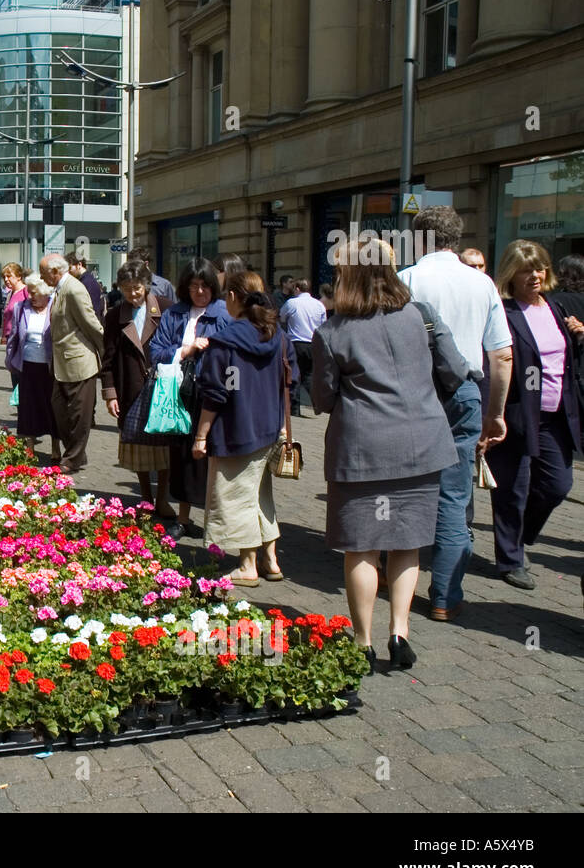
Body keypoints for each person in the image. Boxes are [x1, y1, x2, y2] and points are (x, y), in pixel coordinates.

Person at [313, 238, 462, 671]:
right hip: (422, 446)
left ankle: (363, 641)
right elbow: (453, 369)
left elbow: (322, 399)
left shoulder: (333, 331)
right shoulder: (419, 317)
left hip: (362, 451)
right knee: (406, 544)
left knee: (361, 548)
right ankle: (400, 632)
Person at [398, 205, 513, 622]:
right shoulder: (481, 284)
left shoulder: (406, 279)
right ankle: (445, 596)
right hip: (465, 392)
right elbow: (501, 355)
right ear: (456, 238)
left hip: (414, 394)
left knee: (405, 487)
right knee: (454, 495)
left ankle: (394, 576)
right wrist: (495, 413)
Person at [485, 240, 582, 591]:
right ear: (512, 273)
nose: (535, 275)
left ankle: (520, 535)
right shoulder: (504, 312)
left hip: (557, 413)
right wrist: (492, 414)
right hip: (516, 412)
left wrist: (578, 335)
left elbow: (563, 357)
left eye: (540, 267)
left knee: (558, 486)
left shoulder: (555, 309)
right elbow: (495, 361)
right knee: (512, 489)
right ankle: (511, 559)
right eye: (527, 269)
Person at [192, 270, 297, 584]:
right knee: (261, 496)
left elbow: (215, 394)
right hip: (272, 431)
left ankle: (248, 565)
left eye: (226, 296)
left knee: (236, 497)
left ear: (234, 297)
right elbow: (291, 382)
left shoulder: (224, 343)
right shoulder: (278, 337)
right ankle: (271, 560)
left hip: (236, 432)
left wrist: (200, 436)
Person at [148, 259, 232, 539]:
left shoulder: (224, 314)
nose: (199, 292)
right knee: (183, 457)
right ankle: (183, 518)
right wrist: (185, 350)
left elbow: (233, 353)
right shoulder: (175, 313)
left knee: (211, 455)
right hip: (179, 393)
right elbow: (156, 351)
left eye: (205, 286)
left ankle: (214, 522)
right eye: (194, 286)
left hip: (212, 392)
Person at [101, 262, 171, 504]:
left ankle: (162, 497)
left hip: (163, 390)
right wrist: (110, 394)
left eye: (137, 288)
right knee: (138, 448)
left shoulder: (165, 308)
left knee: (164, 447)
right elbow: (107, 359)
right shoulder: (114, 316)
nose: (133, 294)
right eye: (127, 289)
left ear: (147, 286)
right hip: (130, 388)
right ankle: (146, 497)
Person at [39, 252, 104, 474]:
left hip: (79, 362)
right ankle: (76, 453)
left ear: (55, 272)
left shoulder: (74, 289)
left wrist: (105, 354)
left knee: (79, 415)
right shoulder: (59, 289)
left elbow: (91, 324)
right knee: (59, 411)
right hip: (61, 363)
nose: (41, 277)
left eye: (43, 273)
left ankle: (72, 458)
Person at [6, 273, 60, 461]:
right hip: (27, 366)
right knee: (28, 408)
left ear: (45, 292)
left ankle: (56, 447)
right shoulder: (22, 308)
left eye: (35, 292)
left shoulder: (55, 307)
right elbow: (13, 335)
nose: (31, 296)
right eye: (29, 292)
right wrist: (11, 360)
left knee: (52, 407)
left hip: (50, 367)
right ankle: (30, 448)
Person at [279, 278, 327, 416]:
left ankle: (295, 408)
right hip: (313, 343)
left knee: (294, 375)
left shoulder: (292, 303)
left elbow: (282, 317)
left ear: (297, 289)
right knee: (309, 375)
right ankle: (317, 403)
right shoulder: (318, 305)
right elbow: (323, 324)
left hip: (296, 343)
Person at [0, 263, 28, 394]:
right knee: (15, 382)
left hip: (22, 342)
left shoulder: (26, 291)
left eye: (9, 276)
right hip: (12, 342)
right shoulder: (11, 293)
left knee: (21, 383)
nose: (6, 279)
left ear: (19, 276)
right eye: (4, 277)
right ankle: (21, 412)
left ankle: (25, 412)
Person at [66, 252, 104, 319]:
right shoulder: (85, 281)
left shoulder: (88, 283)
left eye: (70, 268)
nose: (68, 272)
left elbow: (91, 311)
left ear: (79, 265)